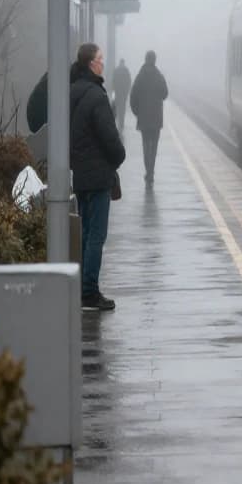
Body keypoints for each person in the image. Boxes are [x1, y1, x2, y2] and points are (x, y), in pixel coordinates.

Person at [70, 43, 126, 310]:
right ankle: (90, 292)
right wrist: (118, 158)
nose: (103, 63)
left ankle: (83, 287)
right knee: (96, 236)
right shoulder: (96, 95)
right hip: (98, 175)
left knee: (85, 232)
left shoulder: (72, 92)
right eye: (100, 59)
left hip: (80, 175)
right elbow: (110, 138)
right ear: (92, 64)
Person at [130, 51, 168, 186]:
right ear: (155, 60)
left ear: (145, 59)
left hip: (144, 118)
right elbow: (165, 94)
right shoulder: (159, 76)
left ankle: (148, 171)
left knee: (146, 145)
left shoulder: (140, 76)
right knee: (154, 146)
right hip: (156, 118)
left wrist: (137, 112)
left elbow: (133, 96)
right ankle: (151, 171)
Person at [111, 58, 132, 136]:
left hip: (117, 92)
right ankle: (121, 122)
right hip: (124, 93)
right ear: (123, 63)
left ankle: (117, 121)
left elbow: (113, 80)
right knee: (122, 108)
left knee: (117, 106)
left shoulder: (116, 70)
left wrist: (113, 89)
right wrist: (128, 90)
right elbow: (129, 81)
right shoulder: (126, 70)